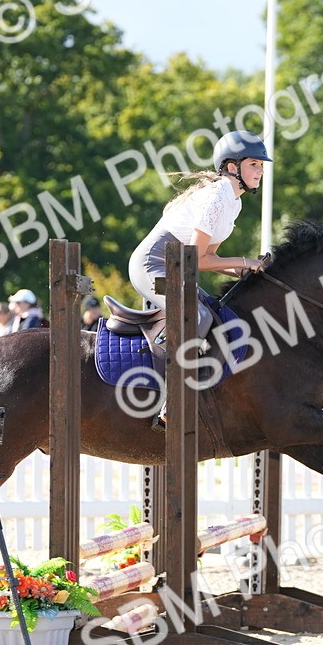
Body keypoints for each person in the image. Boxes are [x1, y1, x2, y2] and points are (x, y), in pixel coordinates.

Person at [128, 129, 270, 428]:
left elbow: (209, 259)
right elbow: (198, 260)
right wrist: (244, 261)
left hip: (176, 268)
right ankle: (172, 399)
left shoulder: (234, 202)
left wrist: (242, 271)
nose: (260, 170)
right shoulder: (217, 195)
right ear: (232, 167)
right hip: (151, 266)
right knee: (198, 316)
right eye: (254, 164)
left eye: (261, 165)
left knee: (216, 316)